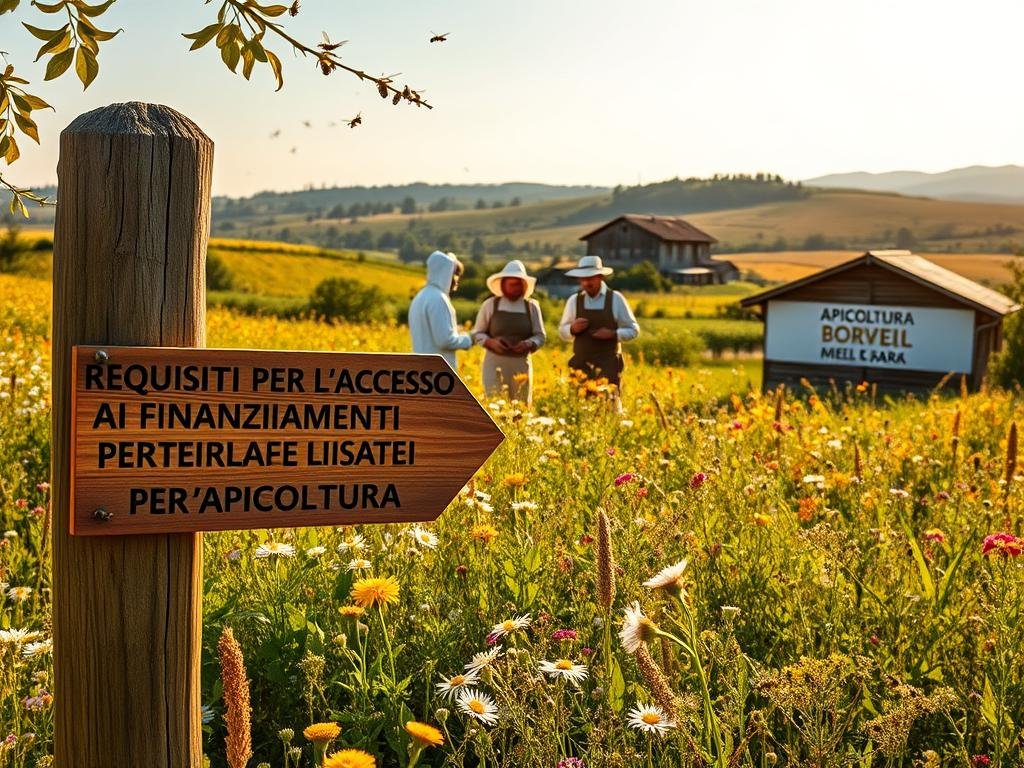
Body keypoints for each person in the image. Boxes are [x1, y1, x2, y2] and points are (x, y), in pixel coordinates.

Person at [558, 254, 639, 391]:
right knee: (579, 406)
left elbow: (633, 330)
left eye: (590, 278)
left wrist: (613, 334)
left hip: (609, 365)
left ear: (601, 277)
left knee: (608, 406)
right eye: (583, 279)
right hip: (580, 365)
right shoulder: (574, 300)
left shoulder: (616, 299)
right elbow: (562, 331)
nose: (586, 283)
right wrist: (572, 329)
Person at [472, 260, 546, 403]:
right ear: (503, 284)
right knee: (495, 403)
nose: (515, 288)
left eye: (518, 284)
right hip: (494, 364)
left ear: (524, 285)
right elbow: (477, 333)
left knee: (520, 406)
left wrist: (528, 343)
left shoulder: (532, 307)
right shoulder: (490, 304)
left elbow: (540, 336)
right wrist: (490, 342)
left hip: (521, 366)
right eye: (511, 284)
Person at [408, 250, 473, 369]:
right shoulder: (439, 299)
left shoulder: (421, 296)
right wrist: (469, 339)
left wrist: (455, 331)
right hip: (438, 373)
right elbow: (445, 341)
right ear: (446, 273)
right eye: (455, 274)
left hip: (421, 369)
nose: (456, 279)